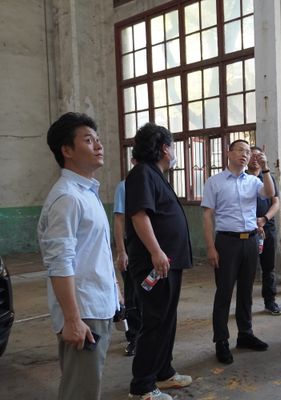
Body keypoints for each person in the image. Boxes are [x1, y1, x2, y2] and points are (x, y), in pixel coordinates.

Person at [38, 112, 120, 400]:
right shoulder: (68, 198)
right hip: (84, 312)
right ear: (67, 150)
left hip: (97, 305)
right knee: (80, 392)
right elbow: (59, 262)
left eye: (97, 139)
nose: (98, 145)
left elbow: (95, 251)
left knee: (87, 386)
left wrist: (114, 291)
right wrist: (72, 319)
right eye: (88, 140)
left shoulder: (87, 192)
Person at [126, 123, 193, 400]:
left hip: (167, 263)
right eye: (172, 147)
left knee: (167, 318)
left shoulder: (154, 174)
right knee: (155, 321)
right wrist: (155, 251)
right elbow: (139, 215)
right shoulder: (142, 173)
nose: (173, 152)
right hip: (155, 263)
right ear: (165, 148)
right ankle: (142, 386)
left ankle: (163, 372)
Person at [202, 139, 275, 365]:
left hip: (250, 241)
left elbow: (269, 193)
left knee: (246, 291)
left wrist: (265, 168)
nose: (245, 155)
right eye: (240, 150)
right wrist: (211, 247)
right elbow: (207, 215)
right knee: (224, 292)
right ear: (229, 153)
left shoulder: (253, 181)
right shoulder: (214, 182)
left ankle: (245, 334)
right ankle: (221, 340)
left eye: (248, 152)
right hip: (227, 242)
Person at [247, 146, 281, 315]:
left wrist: (264, 219)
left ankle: (270, 301)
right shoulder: (242, 178)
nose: (255, 159)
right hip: (247, 229)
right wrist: (254, 223)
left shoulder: (268, 178)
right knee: (247, 270)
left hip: (267, 228)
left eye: (258, 156)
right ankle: (245, 305)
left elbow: (276, 203)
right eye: (251, 155)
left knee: (269, 268)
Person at [113, 159, 141, 357]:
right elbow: (119, 219)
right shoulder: (125, 187)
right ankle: (134, 337)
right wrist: (122, 251)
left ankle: (149, 334)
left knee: (150, 291)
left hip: (152, 248)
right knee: (132, 293)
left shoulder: (156, 183)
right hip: (131, 246)